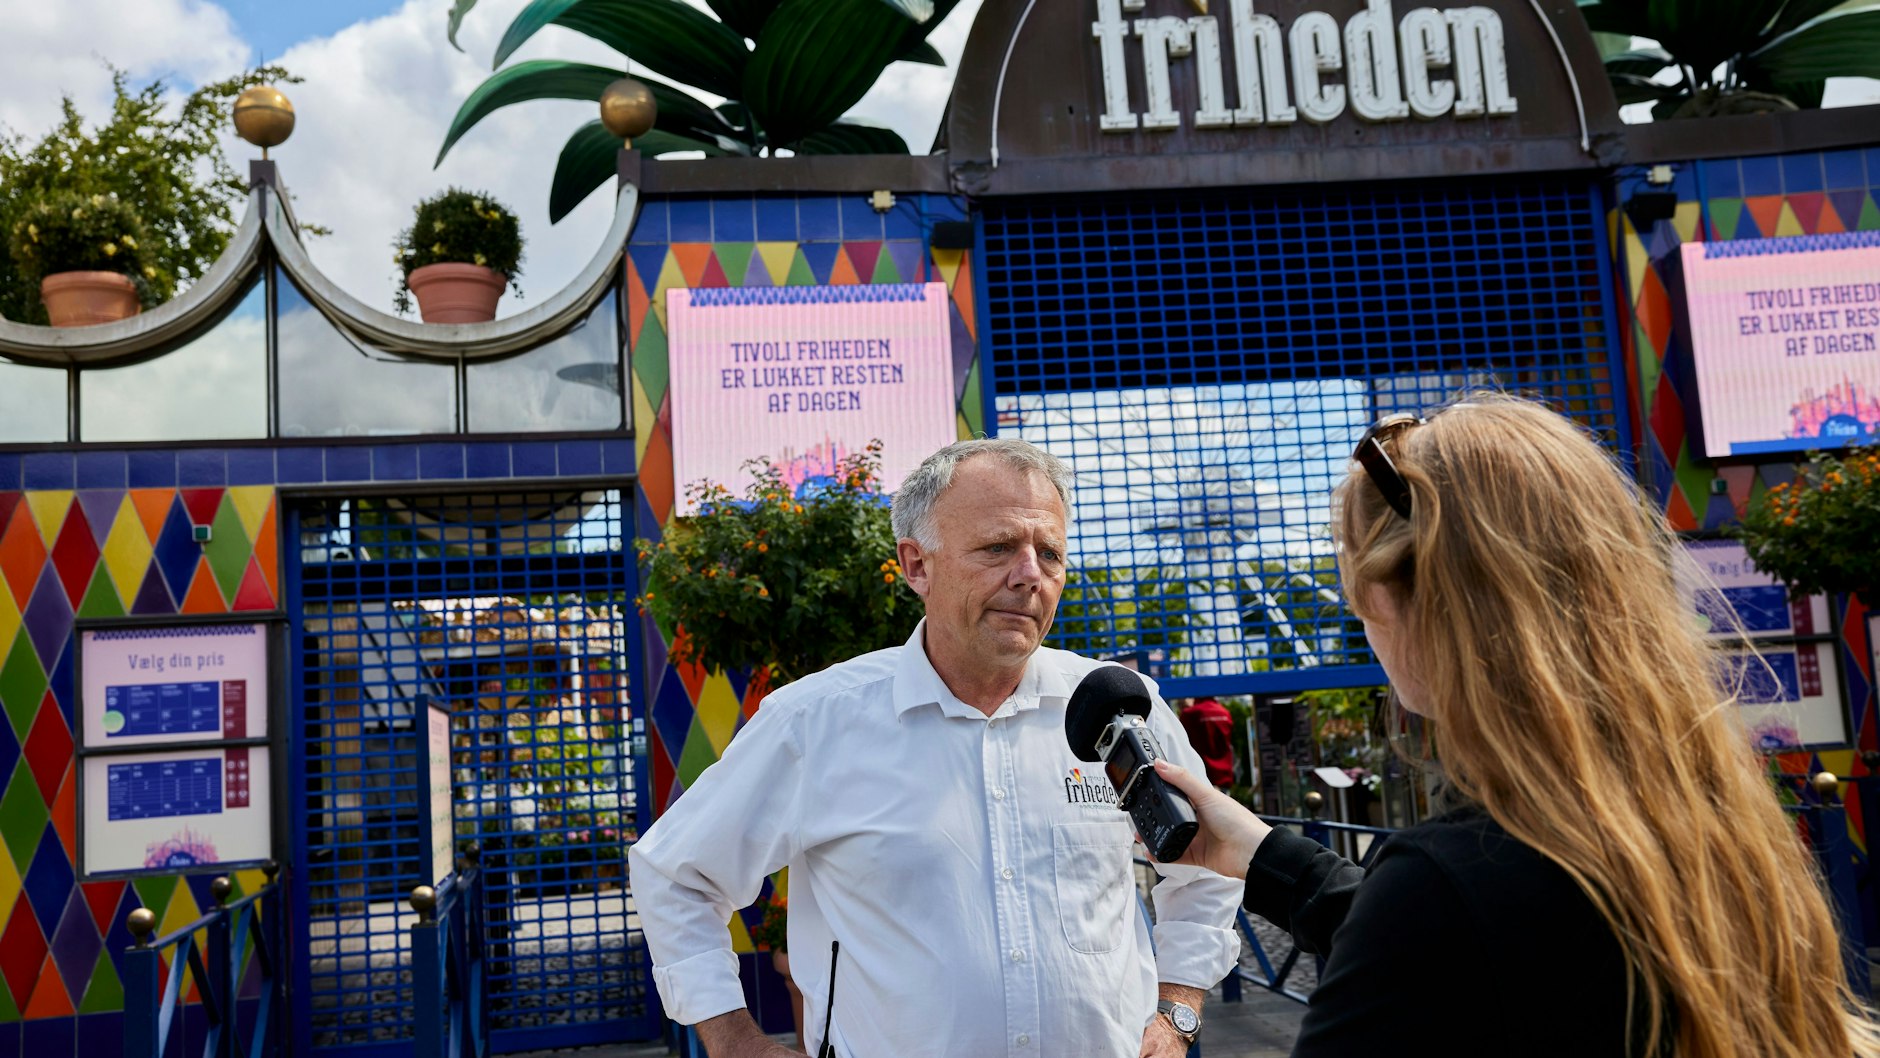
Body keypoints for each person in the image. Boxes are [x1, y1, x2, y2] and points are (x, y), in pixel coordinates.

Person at [1146, 395, 1880, 1058]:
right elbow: (1504, 957)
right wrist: (1267, 856)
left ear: (1405, 597)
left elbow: (1456, 937)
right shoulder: (1711, 823)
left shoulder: (1444, 888)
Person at [629, 438, 1241, 1058]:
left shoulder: (1119, 710)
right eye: (999, 547)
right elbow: (674, 875)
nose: (1030, 574)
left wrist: (1177, 1013)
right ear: (916, 565)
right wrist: (734, 1042)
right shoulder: (813, 724)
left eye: (1049, 553)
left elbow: (1206, 866)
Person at [1176, 695, 1236, 790]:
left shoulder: (1189, 714)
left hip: (1200, 777)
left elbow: (1179, 741)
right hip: (1223, 777)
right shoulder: (1225, 713)